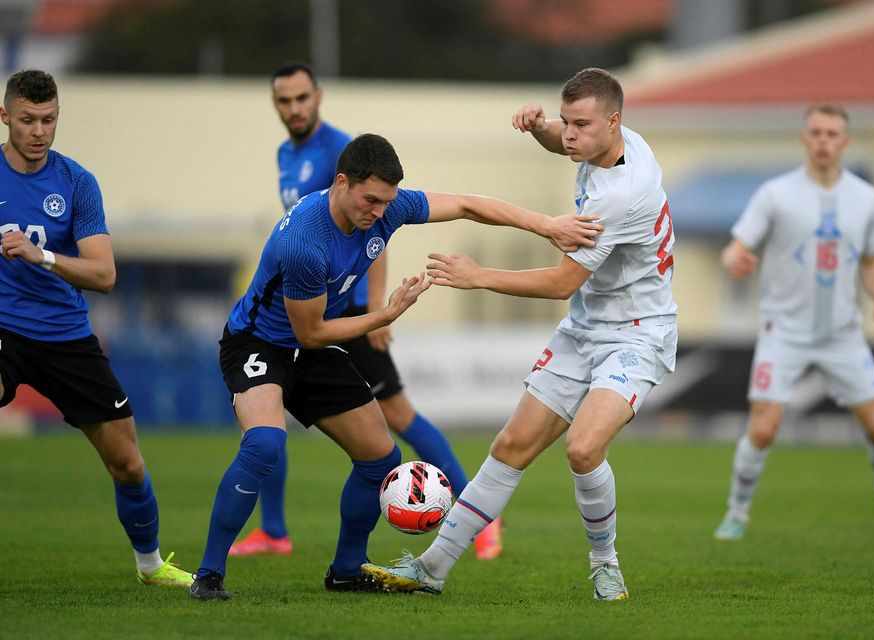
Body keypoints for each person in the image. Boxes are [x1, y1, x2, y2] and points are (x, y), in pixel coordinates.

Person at [189, 132, 601, 600]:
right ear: (341, 183)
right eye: (370, 200)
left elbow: (468, 204)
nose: (379, 213)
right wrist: (384, 315)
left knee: (379, 458)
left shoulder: (387, 207)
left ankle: (346, 570)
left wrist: (547, 225)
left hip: (312, 349)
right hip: (258, 344)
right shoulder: (305, 241)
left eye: (387, 202)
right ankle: (209, 576)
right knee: (264, 442)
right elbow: (311, 332)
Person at [362, 67, 677, 601]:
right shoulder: (619, 142)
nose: (569, 133)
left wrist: (476, 275)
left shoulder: (622, 195)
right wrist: (540, 129)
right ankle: (431, 569)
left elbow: (559, 283)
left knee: (582, 449)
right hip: (585, 329)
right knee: (511, 446)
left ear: (614, 122)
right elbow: (563, 140)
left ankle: (606, 566)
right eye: (567, 121)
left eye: (581, 124)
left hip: (636, 335)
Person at [229, 62, 502, 561]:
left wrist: (378, 308)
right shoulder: (285, 155)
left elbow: (376, 231)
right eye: (283, 101)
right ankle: (272, 529)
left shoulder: (343, 152)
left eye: (301, 99)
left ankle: (479, 517)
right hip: (307, 311)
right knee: (264, 426)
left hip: (352, 313)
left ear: (319, 97)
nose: (293, 109)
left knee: (397, 415)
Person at [0, 69, 193, 588]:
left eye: (48, 120)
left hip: (65, 336)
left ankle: (150, 566)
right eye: (27, 121)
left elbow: (104, 274)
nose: (38, 131)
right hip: (4, 328)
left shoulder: (76, 183)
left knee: (128, 464)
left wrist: (41, 256)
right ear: (5, 118)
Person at [712, 104, 874, 541]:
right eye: (816, 132)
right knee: (764, 427)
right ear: (803, 138)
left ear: (845, 142)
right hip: (783, 332)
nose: (823, 140)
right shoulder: (776, 194)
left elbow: (871, 260)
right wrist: (735, 259)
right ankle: (737, 512)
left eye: (832, 133)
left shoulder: (865, 199)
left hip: (842, 335)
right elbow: (735, 247)